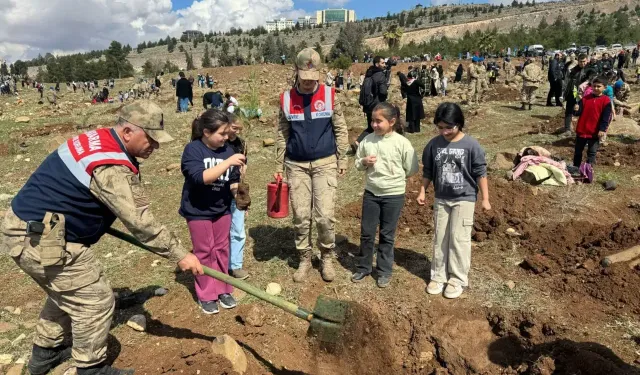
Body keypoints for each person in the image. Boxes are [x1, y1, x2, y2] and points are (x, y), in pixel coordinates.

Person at [0, 101, 202, 375]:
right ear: (129, 131)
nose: (155, 147)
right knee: (95, 300)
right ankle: (90, 368)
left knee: (66, 291)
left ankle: (45, 355)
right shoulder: (110, 166)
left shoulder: (98, 138)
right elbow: (140, 222)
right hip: (41, 237)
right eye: (151, 139)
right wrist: (181, 254)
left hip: (29, 226)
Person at [274, 48, 349, 283]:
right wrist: (278, 164)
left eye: (313, 79)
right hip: (295, 165)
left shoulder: (330, 95)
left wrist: (342, 158)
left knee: (325, 215)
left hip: (325, 163)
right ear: (296, 72)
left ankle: (327, 256)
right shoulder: (286, 99)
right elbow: (281, 133)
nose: (309, 84)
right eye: (304, 80)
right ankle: (305, 257)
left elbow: (341, 128)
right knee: (301, 215)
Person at [417, 102, 491, 299]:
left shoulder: (471, 145)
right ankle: (438, 275)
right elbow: (429, 171)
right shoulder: (434, 144)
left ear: (459, 124)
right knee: (440, 237)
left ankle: (457, 279)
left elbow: (480, 173)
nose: (444, 132)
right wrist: (423, 191)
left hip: (464, 199)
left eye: (449, 127)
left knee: (459, 239)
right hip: (442, 198)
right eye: (440, 127)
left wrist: (485, 199)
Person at [180, 109, 245, 314]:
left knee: (221, 249)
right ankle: (207, 294)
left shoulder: (227, 151)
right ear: (207, 132)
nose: (227, 138)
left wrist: (238, 194)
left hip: (221, 209)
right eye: (222, 134)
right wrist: (229, 162)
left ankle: (224, 288)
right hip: (198, 210)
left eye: (228, 133)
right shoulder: (193, 150)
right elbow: (200, 178)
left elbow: (232, 180)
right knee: (204, 251)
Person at [351, 102, 418, 287]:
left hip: (393, 195)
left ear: (392, 121)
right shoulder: (368, 141)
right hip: (371, 193)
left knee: (387, 235)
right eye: (372, 121)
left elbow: (411, 168)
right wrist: (364, 161)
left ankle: (384, 271)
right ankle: (364, 267)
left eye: (378, 121)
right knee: (367, 232)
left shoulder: (402, 143)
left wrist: (395, 178)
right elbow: (357, 164)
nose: (374, 125)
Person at [226, 114, 249, 280]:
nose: (235, 133)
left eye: (239, 130)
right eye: (234, 128)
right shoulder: (217, 143)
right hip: (219, 190)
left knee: (238, 230)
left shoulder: (240, 144)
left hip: (236, 188)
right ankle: (220, 264)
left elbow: (244, 164)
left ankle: (235, 265)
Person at [572, 76, 611, 167]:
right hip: (582, 129)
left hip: (595, 132)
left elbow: (606, 118)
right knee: (578, 151)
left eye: (598, 86)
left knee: (592, 152)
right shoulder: (585, 98)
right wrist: (576, 110)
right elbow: (578, 113)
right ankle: (576, 168)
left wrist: (602, 129)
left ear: (604, 87)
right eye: (594, 86)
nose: (596, 88)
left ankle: (588, 170)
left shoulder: (606, 101)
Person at [356, 56, 389, 148]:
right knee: (382, 125)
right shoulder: (380, 75)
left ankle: (358, 142)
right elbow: (383, 92)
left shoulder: (369, 73)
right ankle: (380, 145)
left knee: (371, 126)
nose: (384, 65)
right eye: (382, 63)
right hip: (377, 105)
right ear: (377, 64)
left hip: (368, 105)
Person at [563, 54, 590, 135]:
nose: (582, 63)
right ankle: (567, 129)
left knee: (584, 112)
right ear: (578, 61)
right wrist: (565, 93)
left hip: (585, 94)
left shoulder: (590, 69)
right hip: (573, 92)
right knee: (569, 110)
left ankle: (583, 130)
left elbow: (593, 78)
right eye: (581, 62)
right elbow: (568, 81)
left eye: (584, 61)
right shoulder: (573, 70)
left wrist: (586, 82)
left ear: (587, 60)